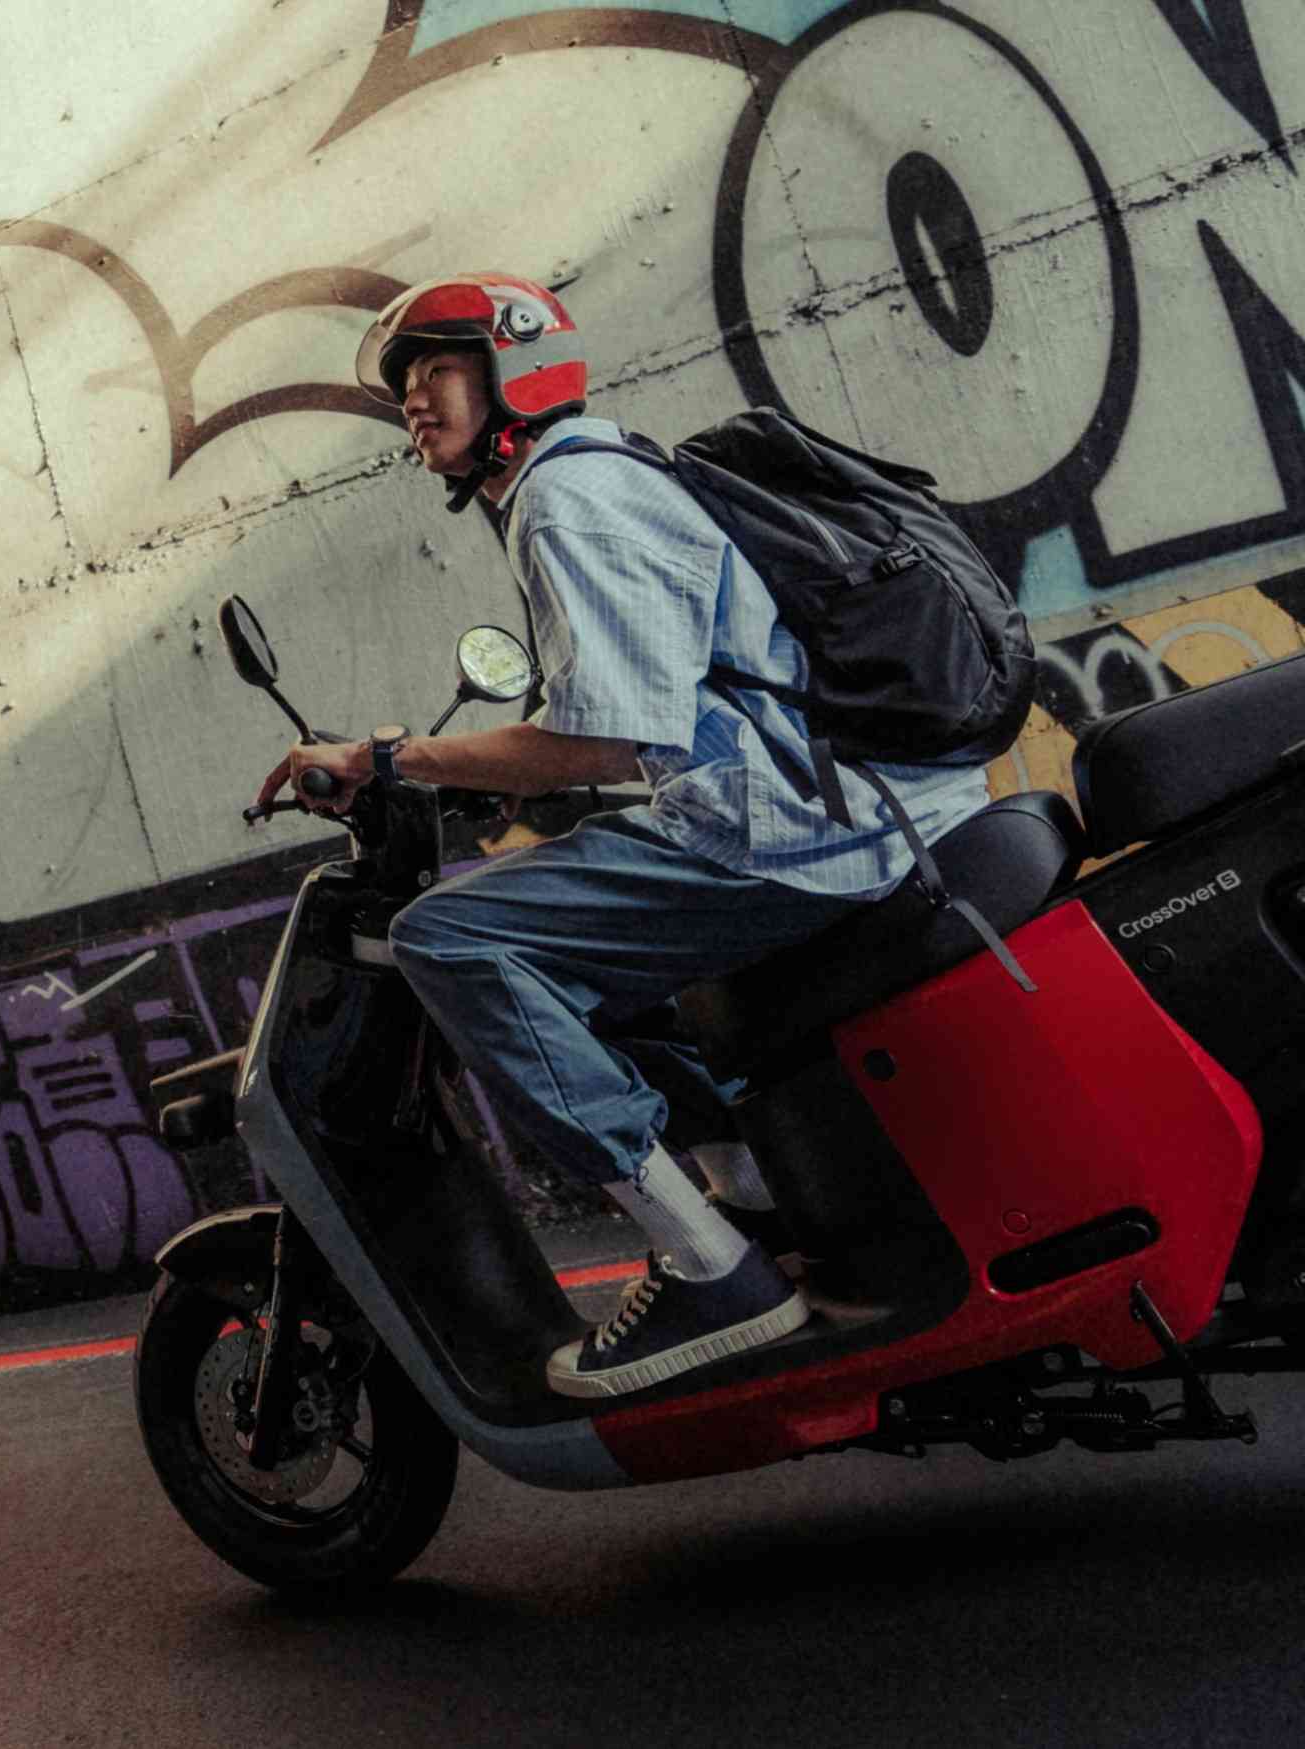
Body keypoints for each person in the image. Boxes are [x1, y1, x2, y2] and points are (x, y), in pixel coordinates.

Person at [251, 273, 991, 1398]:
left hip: (799, 834)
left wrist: (390, 759)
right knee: (581, 935)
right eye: (405, 386)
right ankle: (750, 1197)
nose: (414, 402)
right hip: (833, 807)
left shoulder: (568, 498)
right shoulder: (606, 469)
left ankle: (713, 1268)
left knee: (451, 937)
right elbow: (658, 718)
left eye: (437, 371)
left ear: (514, 370)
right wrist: (478, 775)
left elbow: (599, 738)